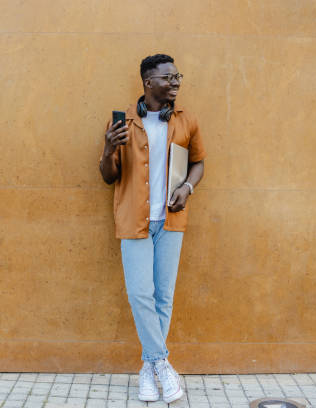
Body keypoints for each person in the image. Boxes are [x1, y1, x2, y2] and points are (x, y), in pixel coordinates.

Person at [99, 54, 206, 404]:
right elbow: (108, 177)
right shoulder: (124, 122)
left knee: (164, 296)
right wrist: (108, 149)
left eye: (177, 76)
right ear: (148, 83)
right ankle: (161, 363)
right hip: (134, 220)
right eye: (168, 77)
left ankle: (148, 367)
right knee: (139, 294)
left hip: (171, 220)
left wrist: (186, 188)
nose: (175, 82)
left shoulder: (186, 120)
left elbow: (198, 163)